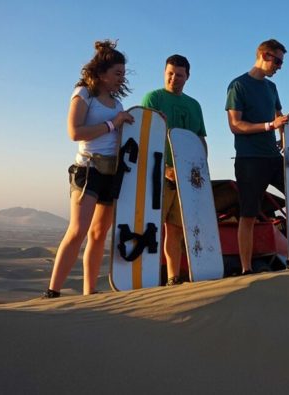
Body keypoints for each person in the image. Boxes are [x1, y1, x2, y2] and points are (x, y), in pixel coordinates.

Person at [44, 40, 134, 298]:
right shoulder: (83, 93)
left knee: (99, 233)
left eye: (123, 74)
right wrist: (112, 124)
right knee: (78, 230)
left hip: (112, 171)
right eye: (117, 73)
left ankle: (90, 292)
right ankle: (52, 291)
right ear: (102, 72)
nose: (121, 79)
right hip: (88, 169)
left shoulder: (116, 104)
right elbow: (74, 132)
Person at [142, 54, 207, 286]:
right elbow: (145, 135)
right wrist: (166, 168)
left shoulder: (194, 105)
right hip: (158, 174)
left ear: (187, 77)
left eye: (179, 75)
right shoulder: (153, 98)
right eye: (170, 73)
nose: (173, 78)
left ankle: (173, 278)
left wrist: (201, 170)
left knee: (176, 230)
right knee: (151, 228)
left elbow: (200, 139)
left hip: (187, 178)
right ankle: (145, 278)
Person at [225, 39, 289, 274]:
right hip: (249, 159)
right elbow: (235, 125)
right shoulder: (238, 85)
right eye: (278, 60)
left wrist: (283, 135)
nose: (280, 66)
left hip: (273, 157)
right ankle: (246, 269)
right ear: (264, 55)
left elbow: (279, 115)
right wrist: (270, 126)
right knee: (249, 213)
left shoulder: (271, 88)